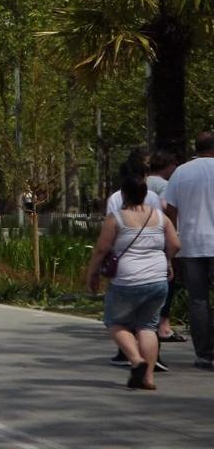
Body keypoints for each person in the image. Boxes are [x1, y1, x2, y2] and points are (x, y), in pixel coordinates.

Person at [88, 176, 180, 390]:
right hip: (158, 279)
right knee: (148, 327)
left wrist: (91, 274)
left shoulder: (116, 218)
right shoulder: (160, 216)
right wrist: (166, 261)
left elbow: (101, 249)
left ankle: (136, 360)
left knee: (115, 322)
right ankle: (148, 378)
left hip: (126, 280)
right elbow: (176, 244)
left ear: (124, 194)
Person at [163, 131, 214, 370]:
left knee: (198, 300)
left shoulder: (181, 172)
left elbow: (170, 209)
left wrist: (174, 232)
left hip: (192, 244)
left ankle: (204, 354)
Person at [148, 150, 185, 343]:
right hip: (161, 237)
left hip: (141, 238)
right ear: (168, 166)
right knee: (167, 282)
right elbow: (168, 209)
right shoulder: (165, 185)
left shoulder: (142, 183)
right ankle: (163, 325)